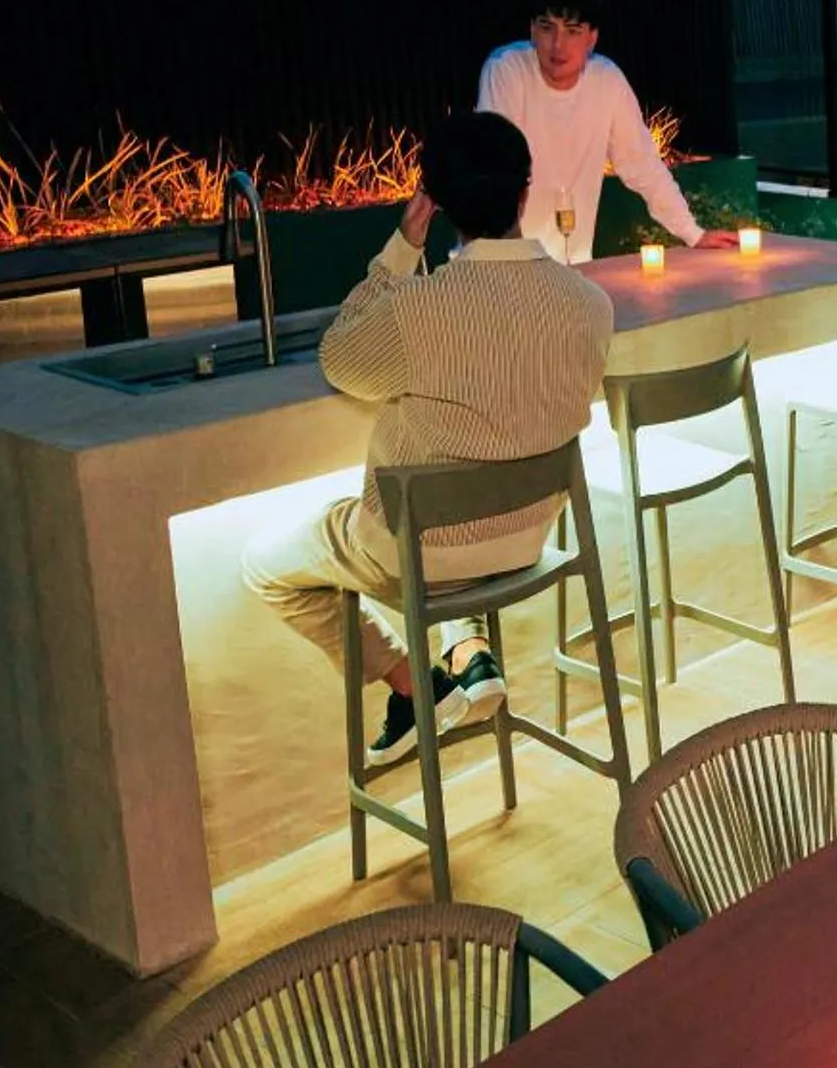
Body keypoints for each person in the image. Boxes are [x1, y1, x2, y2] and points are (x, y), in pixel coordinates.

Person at [240, 110, 614, 758]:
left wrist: (398, 253)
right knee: (458, 483)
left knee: (264, 565)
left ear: (435, 202)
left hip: (421, 556)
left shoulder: (418, 311)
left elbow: (340, 358)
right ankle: (469, 649)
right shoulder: (589, 305)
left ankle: (415, 683)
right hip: (526, 538)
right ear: (525, 192)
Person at [475, 0, 736, 264]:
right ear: (532, 29)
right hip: (501, 262)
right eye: (547, 28)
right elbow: (496, 170)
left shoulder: (606, 80)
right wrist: (515, 260)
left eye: (572, 31)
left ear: (591, 38)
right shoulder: (507, 69)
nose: (557, 45)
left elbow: (642, 165)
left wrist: (693, 233)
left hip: (572, 265)